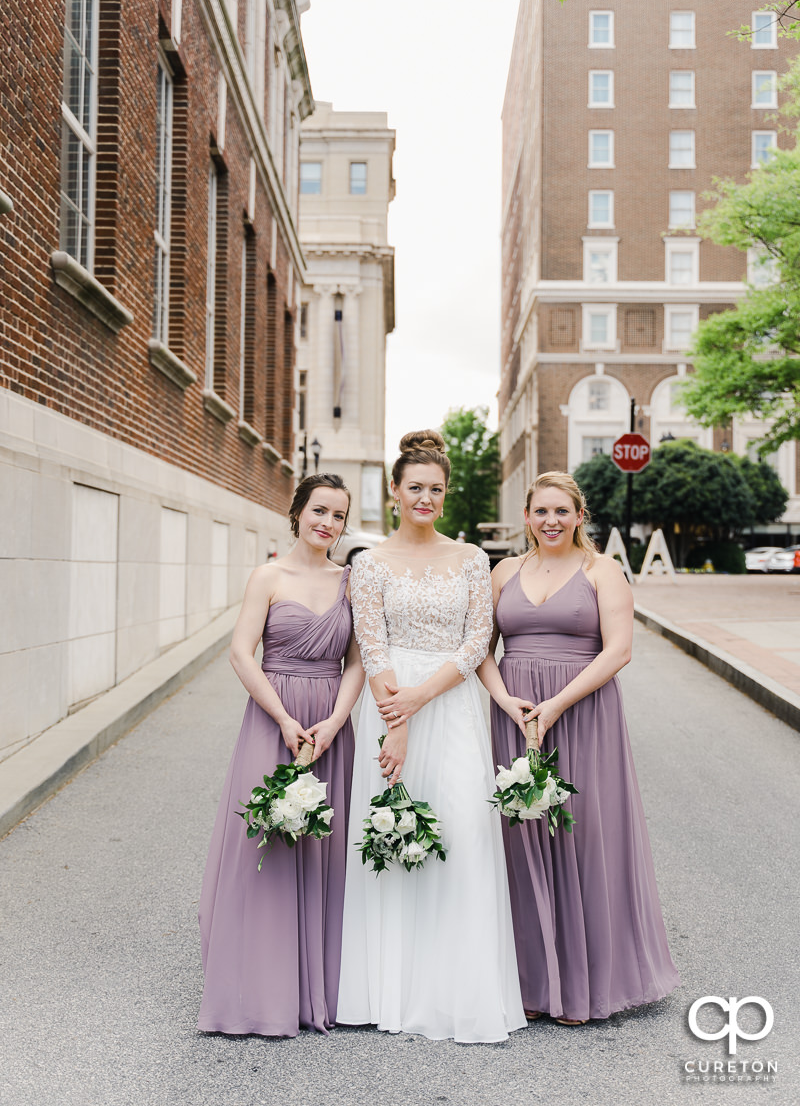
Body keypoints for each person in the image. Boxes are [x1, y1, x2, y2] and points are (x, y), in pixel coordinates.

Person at [336, 431, 525, 1044]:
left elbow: (477, 644)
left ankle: (458, 991)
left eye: (435, 490)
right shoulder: (367, 563)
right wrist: (398, 722)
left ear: (446, 496)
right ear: (394, 492)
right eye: (414, 487)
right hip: (388, 709)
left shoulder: (472, 559)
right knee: (392, 832)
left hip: (451, 707)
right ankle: (388, 990)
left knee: (461, 832)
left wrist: (418, 700)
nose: (425, 498)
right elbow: (373, 641)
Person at [478, 471, 680, 1024]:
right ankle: (532, 982)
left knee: (585, 834)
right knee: (521, 837)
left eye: (561, 512)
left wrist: (558, 704)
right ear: (526, 517)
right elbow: (479, 649)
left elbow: (618, 651)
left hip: (583, 713)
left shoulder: (602, 571)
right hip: (517, 717)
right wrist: (506, 702)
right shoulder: (503, 573)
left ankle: (586, 982)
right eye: (541, 511)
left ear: (579, 516)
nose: (551, 522)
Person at [197, 474, 364, 1037]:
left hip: (329, 723)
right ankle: (260, 988)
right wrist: (285, 720)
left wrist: (336, 722)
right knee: (266, 843)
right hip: (276, 721)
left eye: (339, 516)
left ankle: (324, 985)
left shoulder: (352, 582)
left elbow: (358, 662)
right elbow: (242, 654)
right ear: (296, 512)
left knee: (325, 849)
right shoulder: (267, 576)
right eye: (320, 510)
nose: (328, 523)